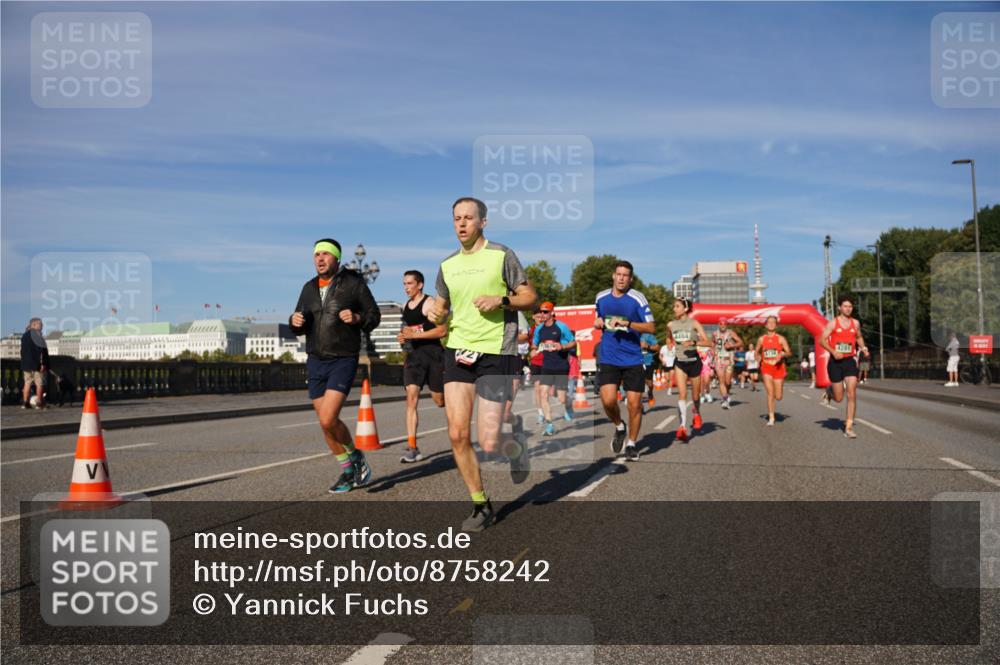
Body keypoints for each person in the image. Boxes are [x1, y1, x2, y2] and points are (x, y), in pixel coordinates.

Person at [429, 197, 537, 532]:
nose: (462, 224)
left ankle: (515, 441)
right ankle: (481, 504)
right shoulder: (447, 265)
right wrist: (436, 311)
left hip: (496, 352)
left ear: (483, 222)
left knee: (489, 442)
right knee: (458, 433)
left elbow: (529, 296)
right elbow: (443, 306)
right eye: (457, 219)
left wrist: (501, 299)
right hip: (459, 351)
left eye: (468, 218)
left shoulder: (502, 255)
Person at [290, 238, 381, 493]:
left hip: (342, 357)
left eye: (326, 254)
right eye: (316, 254)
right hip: (315, 359)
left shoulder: (353, 283)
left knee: (329, 418)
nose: (320, 259)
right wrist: (294, 320)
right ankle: (348, 470)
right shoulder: (308, 287)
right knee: (325, 423)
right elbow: (300, 322)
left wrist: (357, 317)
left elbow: (374, 316)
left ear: (337, 259)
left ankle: (356, 457)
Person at [593, 260, 656, 461]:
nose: (621, 278)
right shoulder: (601, 297)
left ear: (630, 278)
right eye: (618, 274)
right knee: (609, 400)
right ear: (613, 275)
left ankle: (631, 444)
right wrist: (598, 322)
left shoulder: (637, 298)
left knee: (634, 405)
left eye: (625, 275)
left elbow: (651, 327)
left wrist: (628, 323)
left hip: (632, 359)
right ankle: (620, 426)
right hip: (609, 356)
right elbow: (598, 318)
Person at [397, 270, 447, 463]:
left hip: (434, 357)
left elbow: (442, 330)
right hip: (414, 358)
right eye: (404, 284)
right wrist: (402, 337)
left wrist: (414, 335)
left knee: (439, 401)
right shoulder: (405, 306)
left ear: (420, 285)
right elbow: (409, 331)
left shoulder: (430, 304)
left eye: (410, 283)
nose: (406, 287)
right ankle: (413, 447)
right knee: (411, 399)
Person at [819, 295, 869, 439]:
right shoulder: (833, 323)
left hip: (849, 362)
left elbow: (858, 337)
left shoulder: (856, 323)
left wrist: (863, 347)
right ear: (840, 307)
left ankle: (848, 427)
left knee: (852, 393)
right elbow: (822, 340)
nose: (848, 309)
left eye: (850, 306)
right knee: (839, 398)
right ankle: (829, 391)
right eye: (845, 306)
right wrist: (834, 351)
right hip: (835, 363)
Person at [666, 298, 710, 442]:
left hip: (694, 363)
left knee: (695, 397)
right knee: (682, 395)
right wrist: (670, 344)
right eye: (674, 306)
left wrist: (693, 342)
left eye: (677, 306)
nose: (674, 309)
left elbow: (708, 342)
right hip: (680, 363)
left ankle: (696, 412)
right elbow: (668, 338)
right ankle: (682, 427)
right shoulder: (671, 325)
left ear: (685, 308)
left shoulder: (694, 323)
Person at [531, 302, 576, 436]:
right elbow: (535, 344)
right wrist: (534, 350)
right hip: (547, 365)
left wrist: (562, 347)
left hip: (561, 365)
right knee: (543, 393)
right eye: (541, 312)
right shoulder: (539, 329)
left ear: (551, 313)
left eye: (545, 312)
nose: (542, 314)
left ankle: (568, 405)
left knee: (561, 398)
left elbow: (573, 342)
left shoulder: (561, 326)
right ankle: (549, 425)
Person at [756, 315, 792, 426]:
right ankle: (771, 417)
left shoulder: (781, 339)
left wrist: (782, 354)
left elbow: (789, 353)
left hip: (778, 368)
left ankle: (773, 411)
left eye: (773, 322)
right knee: (770, 394)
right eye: (769, 322)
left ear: (776, 325)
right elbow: (756, 352)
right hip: (766, 367)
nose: (771, 324)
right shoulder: (761, 339)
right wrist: (758, 358)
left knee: (778, 396)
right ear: (766, 325)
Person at [712, 319, 742, 409]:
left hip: (729, 360)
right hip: (719, 360)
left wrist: (732, 346)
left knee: (727, 382)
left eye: (724, 324)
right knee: (721, 380)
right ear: (719, 324)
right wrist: (712, 351)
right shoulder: (714, 334)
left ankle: (727, 394)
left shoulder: (731, 333)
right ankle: (724, 400)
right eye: (721, 324)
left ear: (727, 325)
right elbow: (712, 343)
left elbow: (740, 342)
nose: (723, 325)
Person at [21, 318, 48, 409]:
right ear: (34, 325)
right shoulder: (38, 335)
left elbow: (22, 351)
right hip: (36, 365)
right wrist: (43, 363)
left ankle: (25, 403)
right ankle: (39, 403)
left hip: (26, 364)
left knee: (27, 383)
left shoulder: (24, 336)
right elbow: (42, 352)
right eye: (40, 324)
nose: (42, 326)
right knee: (39, 384)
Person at [640, 331, 660, 410]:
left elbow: (657, 347)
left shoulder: (648, 335)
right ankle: (640, 405)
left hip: (648, 361)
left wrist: (647, 346)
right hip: (636, 362)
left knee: (649, 382)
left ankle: (650, 393)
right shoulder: (630, 335)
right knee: (638, 383)